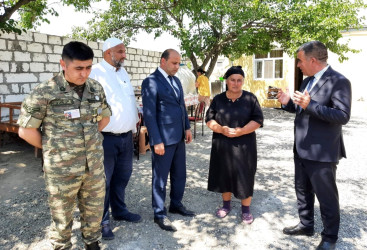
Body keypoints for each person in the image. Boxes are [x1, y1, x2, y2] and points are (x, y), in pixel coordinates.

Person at [17, 41, 111, 250]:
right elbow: (25, 130)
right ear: (63, 64)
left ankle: (92, 242)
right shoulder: (45, 92)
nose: (84, 73)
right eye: (79, 68)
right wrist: (54, 147)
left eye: (88, 67)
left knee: (94, 211)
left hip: (93, 166)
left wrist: (90, 139)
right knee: (61, 218)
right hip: (61, 170)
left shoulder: (95, 88)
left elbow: (105, 117)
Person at [277, 41, 352, 250]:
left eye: (300, 61)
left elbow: (342, 116)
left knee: (326, 196)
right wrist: (287, 103)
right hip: (301, 147)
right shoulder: (307, 81)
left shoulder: (339, 81)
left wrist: (312, 105)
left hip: (322, 151)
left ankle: (330, 238)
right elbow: (302, 109)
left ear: (312, 60)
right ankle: (306, 224)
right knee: (302, 190)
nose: (298, 65)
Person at [89, 37, 141, 240]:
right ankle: (102, 221)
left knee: (123, 176)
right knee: (103, 181)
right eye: (120, 51)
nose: (124, 55)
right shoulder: (95, 73)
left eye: (124, 51)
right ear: (107, 52)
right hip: (105, 138)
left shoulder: (123, 72)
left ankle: (119, 211)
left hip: (126, 137)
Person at [142, 49, 195, 232]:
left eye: (179, 63)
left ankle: (176, 204)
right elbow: (149, 114)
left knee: (180, 174)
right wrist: (156, 140)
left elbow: (182, 106)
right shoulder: (151, 81)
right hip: (163, 139)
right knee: (160, 178)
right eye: (174, 63)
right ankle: (159, 213)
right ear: (163, 61)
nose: (177, 66)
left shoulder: (176, 80)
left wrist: (187, 128)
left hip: (179, 136)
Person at [205, 66, 263, 224]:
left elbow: (258, 120)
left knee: (245, 175)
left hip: (244, 146)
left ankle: (246, 210)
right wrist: (220, 129)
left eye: (239, 80)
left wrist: (242, 131)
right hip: (222, 145)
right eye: (232, 80)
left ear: (243, 81)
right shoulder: (218, 99)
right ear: (227, 81)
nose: (236, 83)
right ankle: (226, 206)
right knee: (224, 173)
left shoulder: (250, 99)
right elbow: (209, 119)